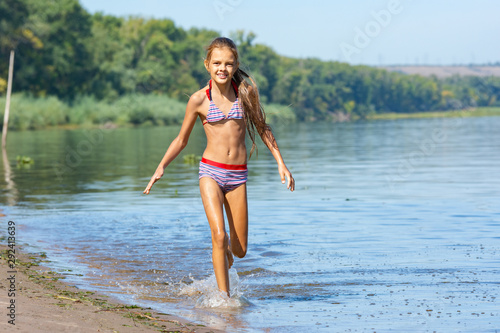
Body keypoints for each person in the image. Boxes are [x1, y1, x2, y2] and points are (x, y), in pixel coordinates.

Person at [143, 37, 294, 297]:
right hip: (210, 173)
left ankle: (225, 252)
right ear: (207, 65)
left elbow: (262, 128)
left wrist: (281, 163)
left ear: (235, 66)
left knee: (240, 250)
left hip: (237, 177)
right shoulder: (199, 100)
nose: (222, 68)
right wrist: (161, 167)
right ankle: (224, 299)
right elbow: (181, 139)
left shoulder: (245, 93)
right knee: (219, 235)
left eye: (228, 63)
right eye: (216, 63)